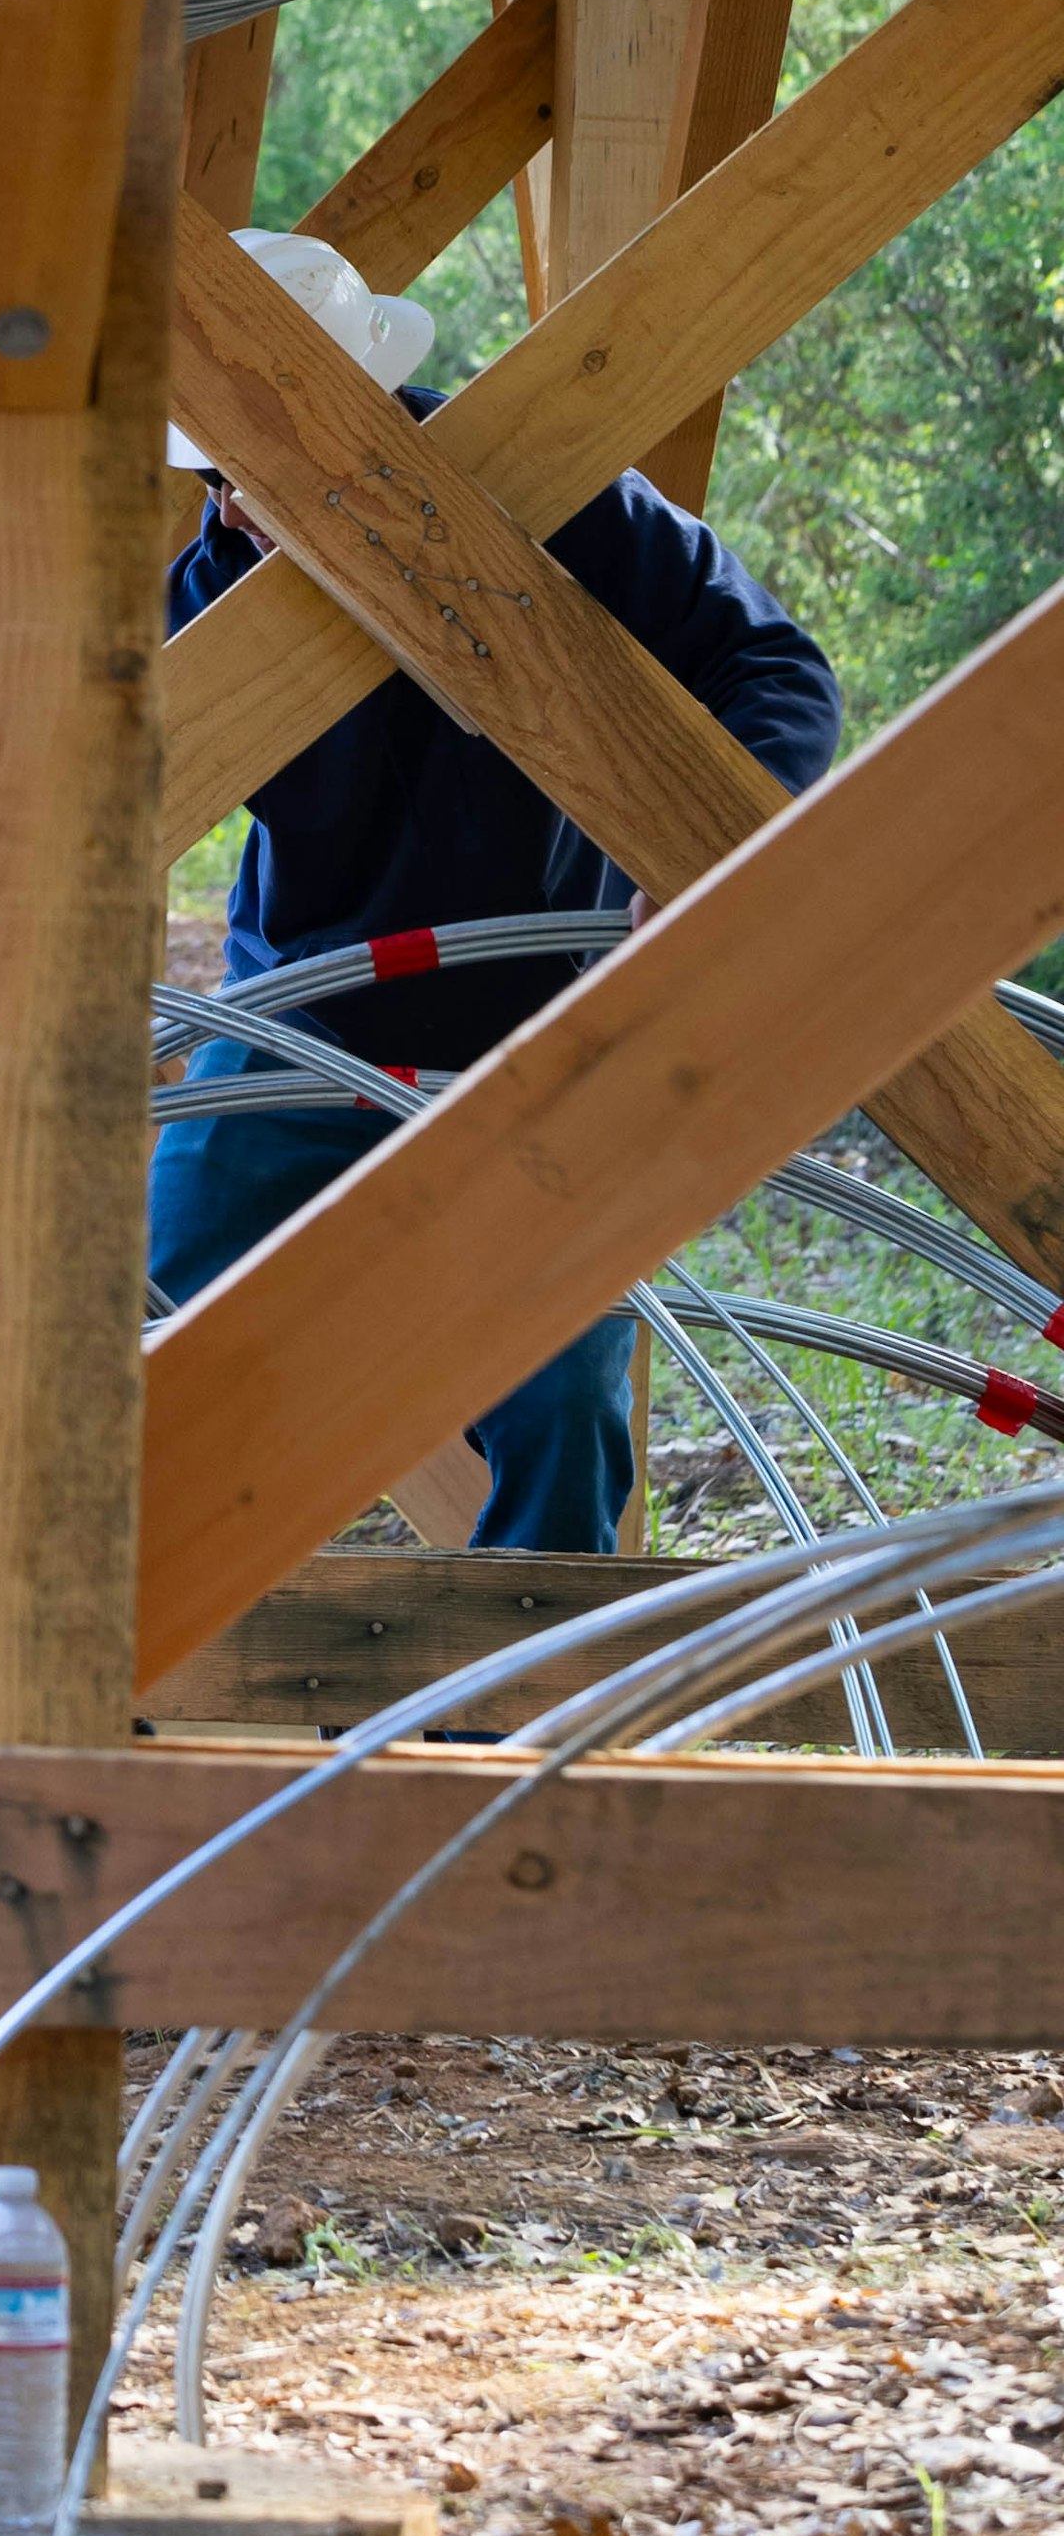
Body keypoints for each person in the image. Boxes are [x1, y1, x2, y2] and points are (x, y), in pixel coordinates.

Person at [150, 228, 842, 1552]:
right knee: (158, 1298)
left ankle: (519, 1731)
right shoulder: (211, 589)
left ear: (356, 405)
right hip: (297, 1030)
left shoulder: (558, 501)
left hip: (536, 1036)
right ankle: (150, 1671)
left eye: (248, 470)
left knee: (566, 1397)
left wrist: (704, 850)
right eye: (213, 475)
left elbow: (777, 673)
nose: (231, 504)